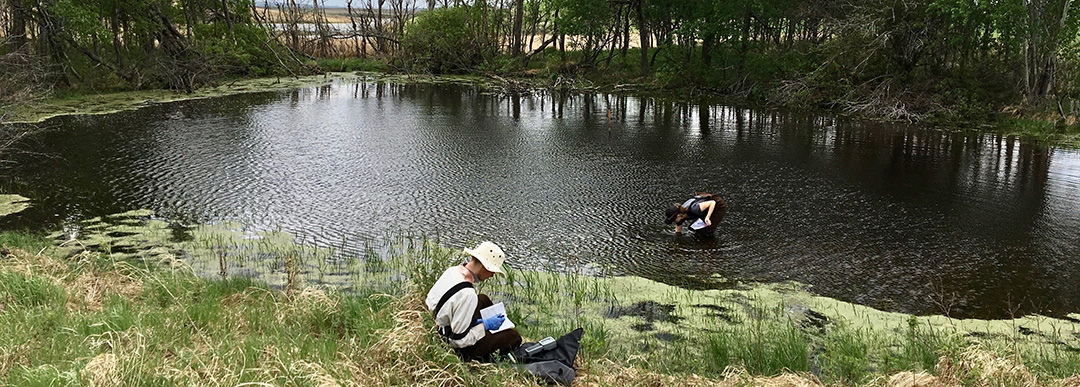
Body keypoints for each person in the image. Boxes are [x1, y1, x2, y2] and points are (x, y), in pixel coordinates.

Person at [425, 241, 522, 361]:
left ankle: (494, 328)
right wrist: (484, 326)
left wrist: (474, 321)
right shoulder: (467, 294)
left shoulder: (453, 271)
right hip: (447, 342)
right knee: (513, 336)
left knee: (482, 299)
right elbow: (459, 340)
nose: (492, 275)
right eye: (492, 271)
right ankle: (490, 355)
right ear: (483, 266)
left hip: (434, 323)